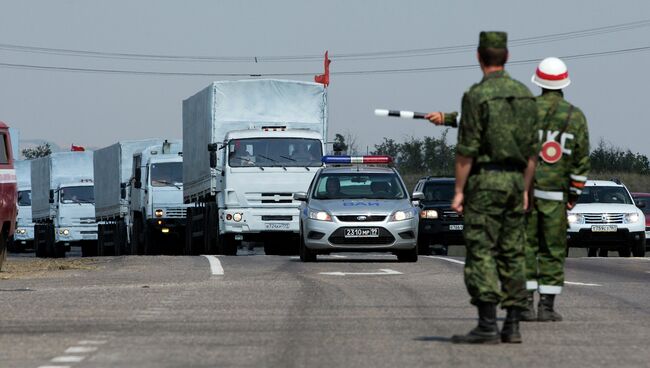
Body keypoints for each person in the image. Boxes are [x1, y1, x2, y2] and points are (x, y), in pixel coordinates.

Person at [427, 31, 538, 344]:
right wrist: (526, 189)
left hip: (485, 182)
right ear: (507, 57)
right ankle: (513, 324)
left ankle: (488, 324)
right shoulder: (526, 96)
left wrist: (459, 190)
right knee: (513, 251)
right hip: (516, 181)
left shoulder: (476, 96)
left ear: (478, 57)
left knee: (482, 251)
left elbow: (467, 150)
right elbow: (532, 153)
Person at [521, 57, 590, 322]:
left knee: (526, 248)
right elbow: (581, 160)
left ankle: (525, 306)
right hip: (555, 197)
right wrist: (573, 194)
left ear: (538, 82)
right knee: (552, 251)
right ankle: (546, 307)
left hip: (526, 194)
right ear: (564, 83)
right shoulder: (575, 117)